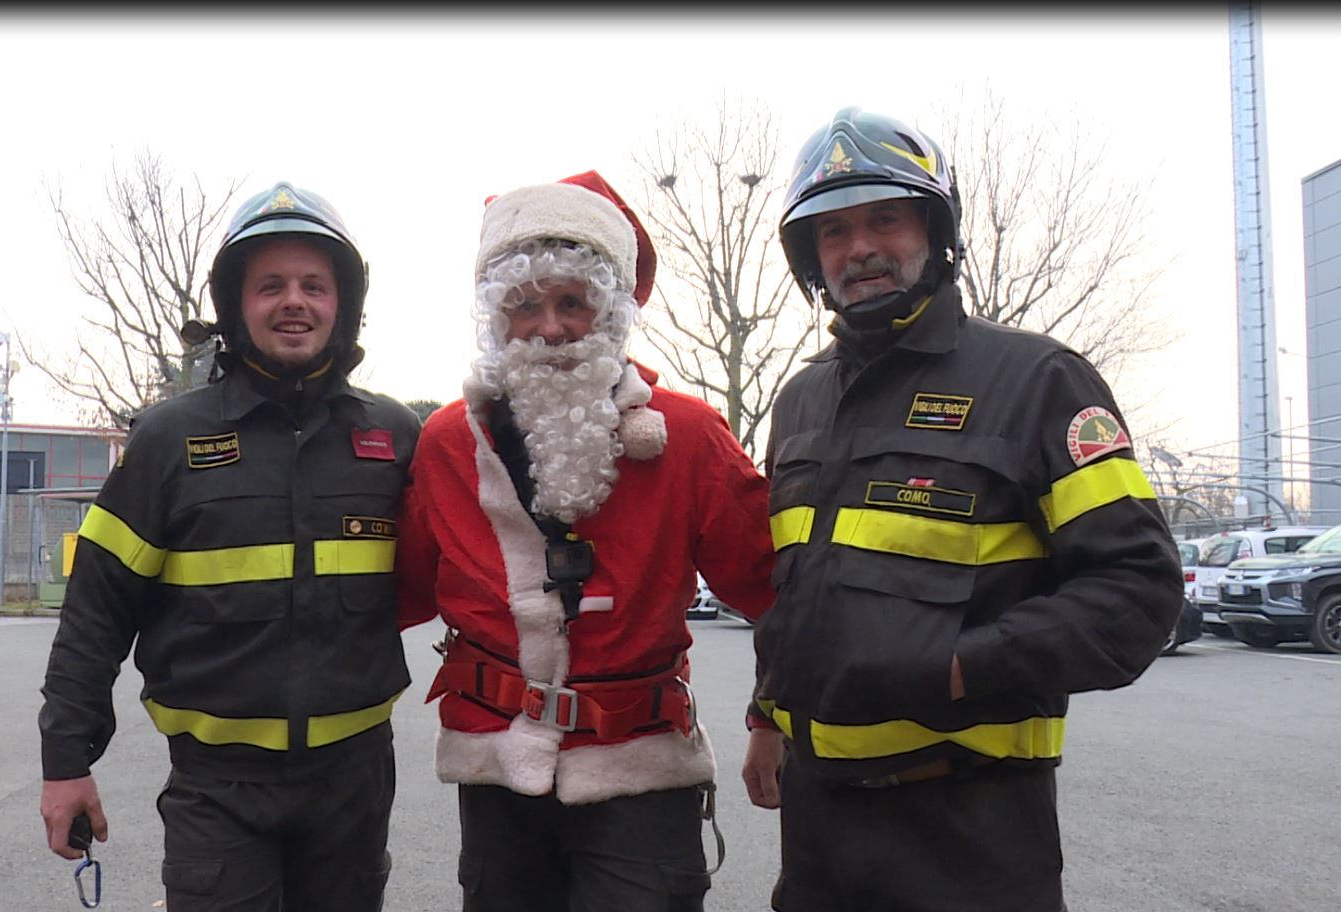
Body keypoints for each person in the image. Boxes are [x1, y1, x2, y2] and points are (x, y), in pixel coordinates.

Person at [740, 107, 1184, 912]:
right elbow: (801, 586)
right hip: (817, 835)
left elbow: (1138, 591)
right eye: (833, 231)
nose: (860, 248)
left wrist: (960, 667)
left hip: (969, 835)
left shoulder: (1038, 379)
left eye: (886, 218)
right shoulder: (800, 401)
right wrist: (766, 714)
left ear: (935, 232)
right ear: (810, 255)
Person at [395, 170, 777, 912]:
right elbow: (385, 592)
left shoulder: (690, 436)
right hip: (499, 770)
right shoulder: (446, 442)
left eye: (573, 303)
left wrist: (771, 715)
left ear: (611, 316)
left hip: (642, 774)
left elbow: (778, 589)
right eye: (524, 306)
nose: (549, 327)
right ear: (496, 322)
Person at [37, 180, 421, 912]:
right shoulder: (168, 440)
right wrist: (66, 765)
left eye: (315, 284)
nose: (294, 301)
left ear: (344, 306)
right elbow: (95, 616)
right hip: (219, 790)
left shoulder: (397, 439)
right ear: (235, 308)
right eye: (269, 285)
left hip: (355, 786)